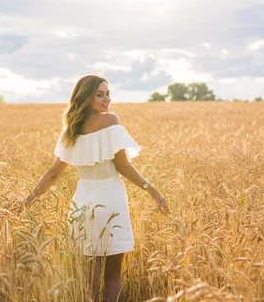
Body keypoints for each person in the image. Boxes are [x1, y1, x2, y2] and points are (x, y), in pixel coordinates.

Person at [22, 74, 169, 302]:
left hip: (81, 206)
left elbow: (53, 173)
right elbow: (123, 166)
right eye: (99, 94)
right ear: (86, 97)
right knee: (112, 276)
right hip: (111, 202)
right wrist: (151, 189)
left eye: (108, 93)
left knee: (88, 278)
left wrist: (27, 200)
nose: (106, 99)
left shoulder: (70, 130)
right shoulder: (111, 121)